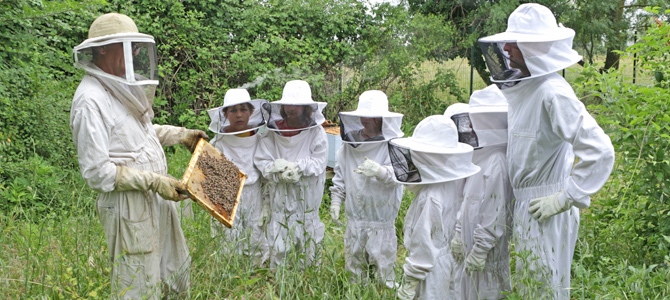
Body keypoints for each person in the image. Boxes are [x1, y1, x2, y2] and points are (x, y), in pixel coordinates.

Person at [478, 3, 615, 299]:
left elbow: (600, 150)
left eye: (516, 43)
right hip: (530, 206)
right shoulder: (527, 90)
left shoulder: (553, 91)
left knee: (545, 290)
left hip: (549, 207)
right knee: (531, 287)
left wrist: (566, 197)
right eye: (508, 43)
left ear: (537, 47)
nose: (507, 50)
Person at [70, 13, 208, 299]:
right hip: (128, 207)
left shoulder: (118, 84)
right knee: (138, 287)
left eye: (136, 46)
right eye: (127, 45)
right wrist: (154, 181)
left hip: (156, 199)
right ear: (103, 48)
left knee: (175, 274)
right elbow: (98, 172)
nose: (134, 52)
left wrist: (180, 134)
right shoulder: (90, 99)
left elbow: (141, 132)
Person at [390, 115, 480, 300]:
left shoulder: (431, 196)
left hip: (429, 271)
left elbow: (424, 242)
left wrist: (411, 280)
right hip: (442, 262)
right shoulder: (447, 184)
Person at [329, 90, 404, 288]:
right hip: (355, 221)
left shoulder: (394, 145)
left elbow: (401, 176)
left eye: (371, 116)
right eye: (363, 115)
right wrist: (336, 201)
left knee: (383, 277)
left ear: (382, 118)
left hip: (382, 221)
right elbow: (340, 176)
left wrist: (380, 172)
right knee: (355, 277)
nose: (365, 119)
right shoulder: (348, 145)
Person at [446, 85, 514, 300]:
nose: (470, 126)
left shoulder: (497, 160)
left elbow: (497, 210)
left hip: (486, 255)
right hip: (470, 249)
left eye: (475, 119)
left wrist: (480, 249)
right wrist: (458, 233)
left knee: (488, 292)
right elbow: (466, 202)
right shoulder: (480, 156)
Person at [254, 80, 328, 267]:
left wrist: (298, 168)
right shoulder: (272, 132)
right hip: (279, 203)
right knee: (279, 252)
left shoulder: (317, 132)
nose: (291, 109)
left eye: (296, 105)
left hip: (307, 202)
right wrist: (277, 173)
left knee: (308, 256)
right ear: (282, 106)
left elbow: (319, 163)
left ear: (306, 107)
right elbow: (262, 161)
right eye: (288, 104)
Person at [207, 88, 269, 265]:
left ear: (251, 112)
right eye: (233, 110)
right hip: (228, 197)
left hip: (254, 195)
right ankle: (231, 277)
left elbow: (266, 176)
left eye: (243, 109)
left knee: (256, 235)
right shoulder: (218, 143)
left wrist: (267, 203)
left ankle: (257, 275)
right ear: (225, 114)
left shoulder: (260, 139)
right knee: (229, 238)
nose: (239, 115)